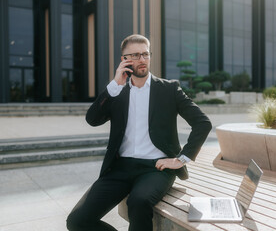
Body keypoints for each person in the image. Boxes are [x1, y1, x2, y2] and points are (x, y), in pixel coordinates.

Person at [66, 34, 212, 231]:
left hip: (156, 168)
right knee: (77, 221)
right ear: (124, 60)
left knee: (139, 202)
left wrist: (181, 159)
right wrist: (114, 85)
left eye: (145, 54)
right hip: (120, 167)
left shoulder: (169, 89)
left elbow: (203, 123)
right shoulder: (117, 92)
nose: (142, 60)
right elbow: (92, 120)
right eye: (135, 55)